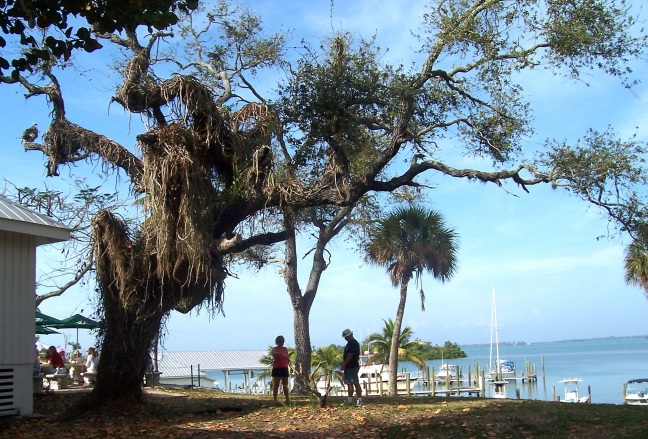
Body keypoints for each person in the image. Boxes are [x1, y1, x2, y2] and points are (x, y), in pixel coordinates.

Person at [341, 328, 362, 407]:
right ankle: (349, 401)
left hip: (351, 366)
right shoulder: (349, 343)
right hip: (349, 367)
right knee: (349, 384)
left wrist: (344, 364)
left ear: (349, 335)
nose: (345, 338)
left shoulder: (353, 343)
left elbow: (350, 355)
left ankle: (359, 400)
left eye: (346, 337)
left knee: (354, 383)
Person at [271, 335, 290, 405]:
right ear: (277, 342)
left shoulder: (285, 349)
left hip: (284, 368)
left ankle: (287, 399)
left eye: (282, 341)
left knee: (285, 385)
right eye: (279, 341)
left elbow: (287, 358)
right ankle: (275, 399)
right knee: (276, 385)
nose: (281, 343)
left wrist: (287, 361)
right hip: (277, 368)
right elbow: (274, 354)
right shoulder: (275, 349)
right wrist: (282, 354)